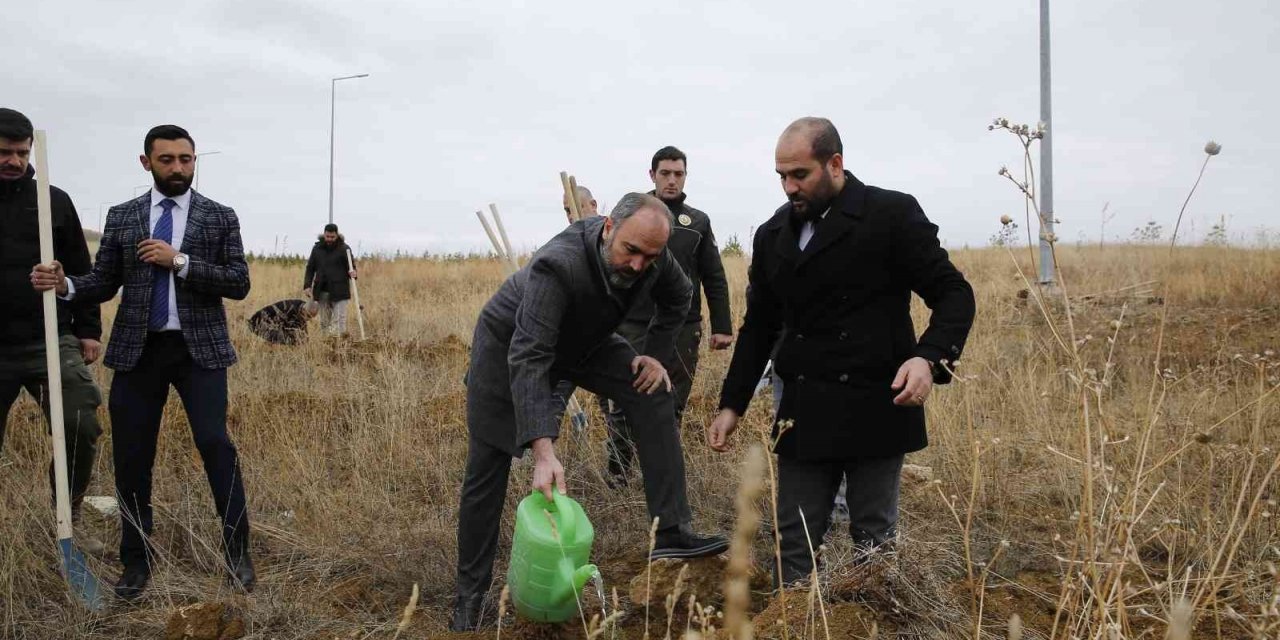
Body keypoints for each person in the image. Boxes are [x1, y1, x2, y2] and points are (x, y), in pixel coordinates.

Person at [708, 117, 976, 585]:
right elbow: (760, 327)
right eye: (782, 177)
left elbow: (954, 293)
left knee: (873, 541)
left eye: (800, 175)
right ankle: (799, 620)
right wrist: (732, 403)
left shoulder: (890, 215)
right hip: (804, 406)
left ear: (835, 164)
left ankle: (872, 619)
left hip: (877, 400)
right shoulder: (773, 235)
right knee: (796, 537)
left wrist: (928, 358)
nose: (789, 187)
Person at [451, 193, 729, 631]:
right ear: (607, 229)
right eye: (630, 252)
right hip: (511, 345)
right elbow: (530, 356)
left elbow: (681, 297)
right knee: (490, 463)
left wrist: (655, 355)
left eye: (649, 257)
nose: (638, 265)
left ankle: (672, 533)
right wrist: (543, 451)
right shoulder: (557, 265)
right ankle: (469, 597)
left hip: (586, 341)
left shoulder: (654, 256)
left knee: (652, 390)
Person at [31, 124, 256, 600]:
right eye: (168, 159)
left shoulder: (218, 217)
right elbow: (103, 281)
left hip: (200, 354)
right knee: (133, 457)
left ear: (195, 161)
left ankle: (237, 553)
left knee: (216, 444)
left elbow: (238, 282)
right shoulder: (125, 216)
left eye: (186, 159)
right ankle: (136, 561)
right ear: (146, 162)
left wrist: (181, 262)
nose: (178, 168)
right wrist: (66, 284)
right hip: (139, 351)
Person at [0, 107, 105, 554]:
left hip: (49, 337)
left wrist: (89, 331)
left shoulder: (52, 201)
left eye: (22, 153)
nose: (15, 161)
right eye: (5, 152)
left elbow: (83, 272)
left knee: (80, 421)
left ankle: (69, 512)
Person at [602, 146, 733, 486]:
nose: (672, 180)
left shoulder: (697, 222)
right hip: (632, 323)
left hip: (682, 327)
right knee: (623, 402)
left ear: (685, 176)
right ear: (652, 175)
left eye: (678, 174)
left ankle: (659, 477)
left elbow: (714, 275)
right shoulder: (635, 213)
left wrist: (722, 326)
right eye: (665, 173)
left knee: (670, 404)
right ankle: (618, 475)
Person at [303, 223, 358, 336]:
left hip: (340, 291)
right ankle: (327, 347)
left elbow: (352, 268)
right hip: (322, 290)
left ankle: (340, 347)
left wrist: (353, 273)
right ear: (324, 234)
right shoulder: (317, 249)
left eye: (332, 237)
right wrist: (307, 285)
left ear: (336, 235)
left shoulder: (344, 249)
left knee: (339, 322)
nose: (330, 239)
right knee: (324, 322)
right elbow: (310, 268)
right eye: (328, 236)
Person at [248, 299, 319, 345]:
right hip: (257, 324)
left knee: (301, 339)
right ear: (304, 310)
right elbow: (289, 329)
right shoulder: (290, 310)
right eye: (308, 316)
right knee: (290, 340)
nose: (308, 319)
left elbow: (302, 330)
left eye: (311, 317)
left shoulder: (302, 306)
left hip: (275, 323)